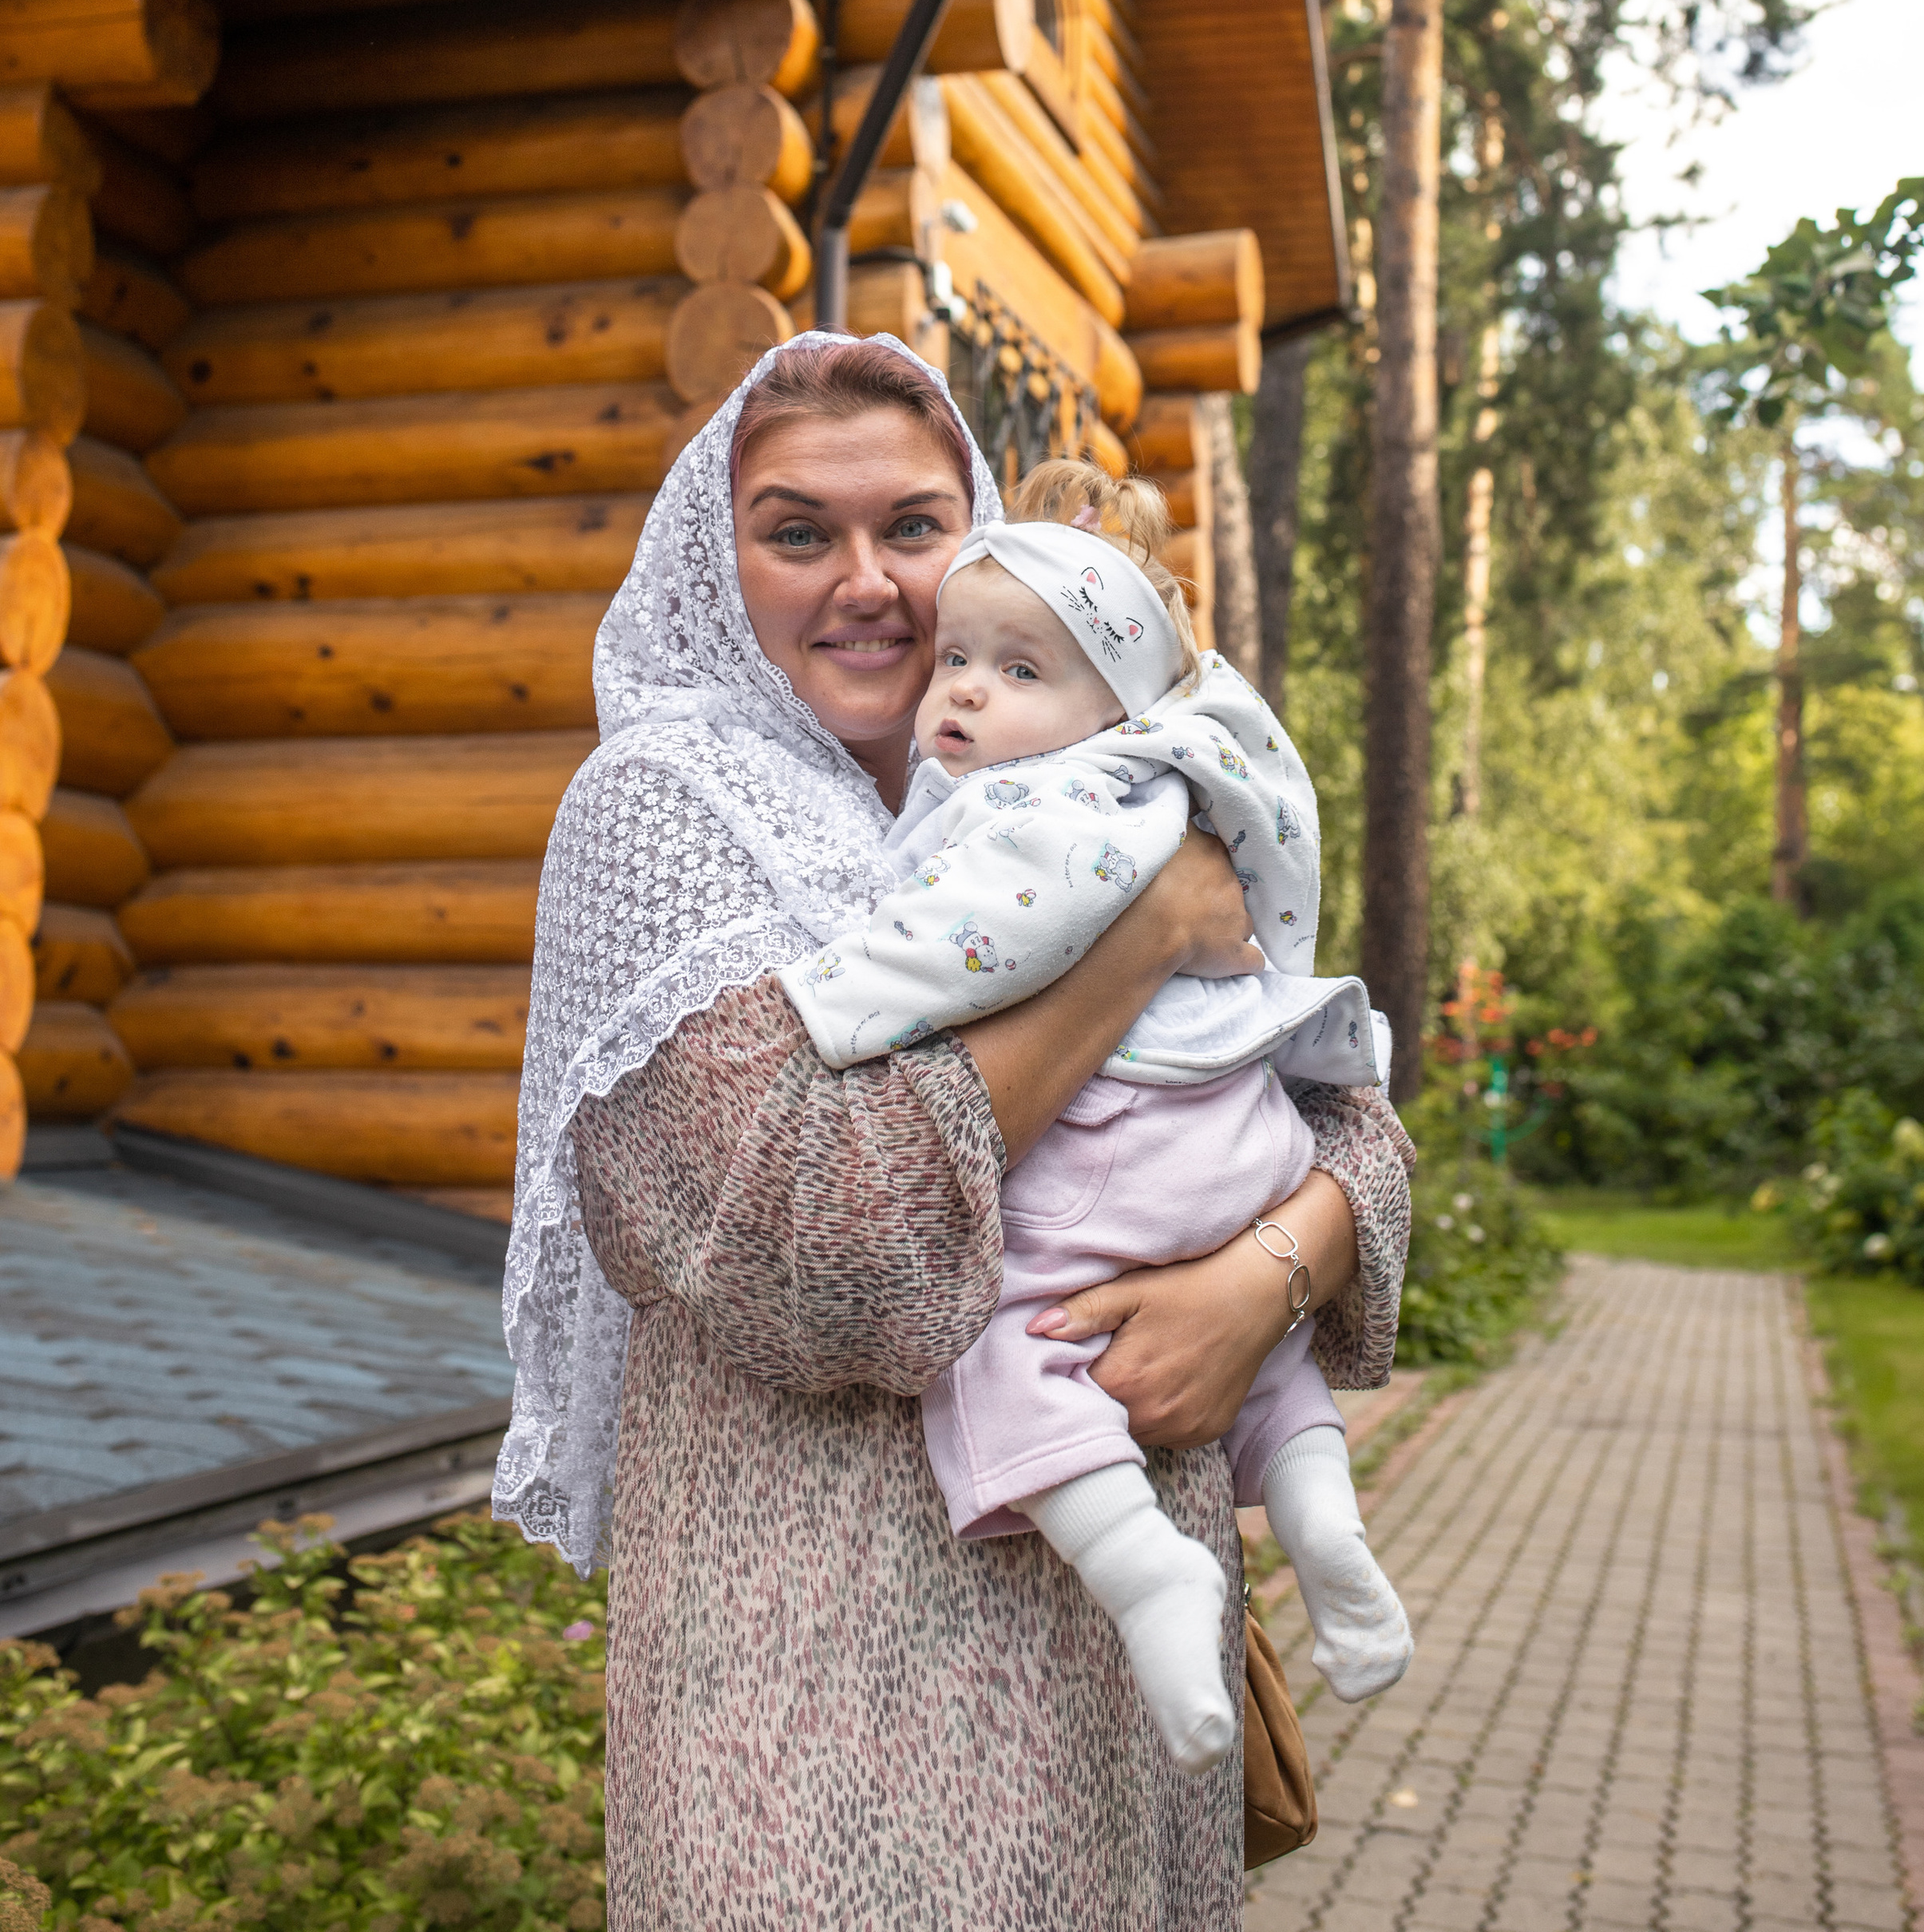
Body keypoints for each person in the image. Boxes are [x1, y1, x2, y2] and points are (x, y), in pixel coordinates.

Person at [497, 332, 1415, 1932]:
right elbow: (818, 1247)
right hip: (820, 1692)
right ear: (715, 566)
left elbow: (1337, 1110)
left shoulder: (1096, 772)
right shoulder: (660, 813)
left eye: (914, 529)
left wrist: (1262, 1277)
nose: (867, 583)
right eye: (798, 532)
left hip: (1127, 1666)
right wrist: (1143, 934)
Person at [779, 473, 1411, 1768]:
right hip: (1242, 1148)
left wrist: (827, 1002)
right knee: (1278, 1378)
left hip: (1119, 1147)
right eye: (958, 659)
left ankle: (1145, 1571)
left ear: (1116, 708)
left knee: (1002, 1338)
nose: (965, 694)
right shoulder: (1174, 796)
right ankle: (1327, 1527)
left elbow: (968, 945)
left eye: (1019, 672)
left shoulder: (1051, 807)